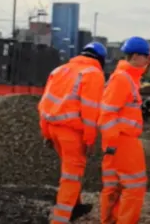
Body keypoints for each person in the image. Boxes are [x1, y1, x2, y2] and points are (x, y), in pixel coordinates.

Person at [38, 42, 107, 224]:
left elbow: (45, 103)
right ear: (101, 60)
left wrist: (45, 132)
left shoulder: (59, 70)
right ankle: (61, 219)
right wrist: (90, 140)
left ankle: (76, 206)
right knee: (71, 176)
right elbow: (90, 112)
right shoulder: (94, 74)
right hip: (72, 133)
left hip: (53, 128)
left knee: (70, 171)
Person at [98, 36, 150, 224]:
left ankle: (110, 220)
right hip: (123, 140)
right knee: (135, 186)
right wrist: (113, 143)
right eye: (146, 56)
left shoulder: (127, 78)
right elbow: (107, 113)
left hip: (118, 140)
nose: (147, 61)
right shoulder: (122, 79)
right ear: (136, 56)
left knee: (113, 186)